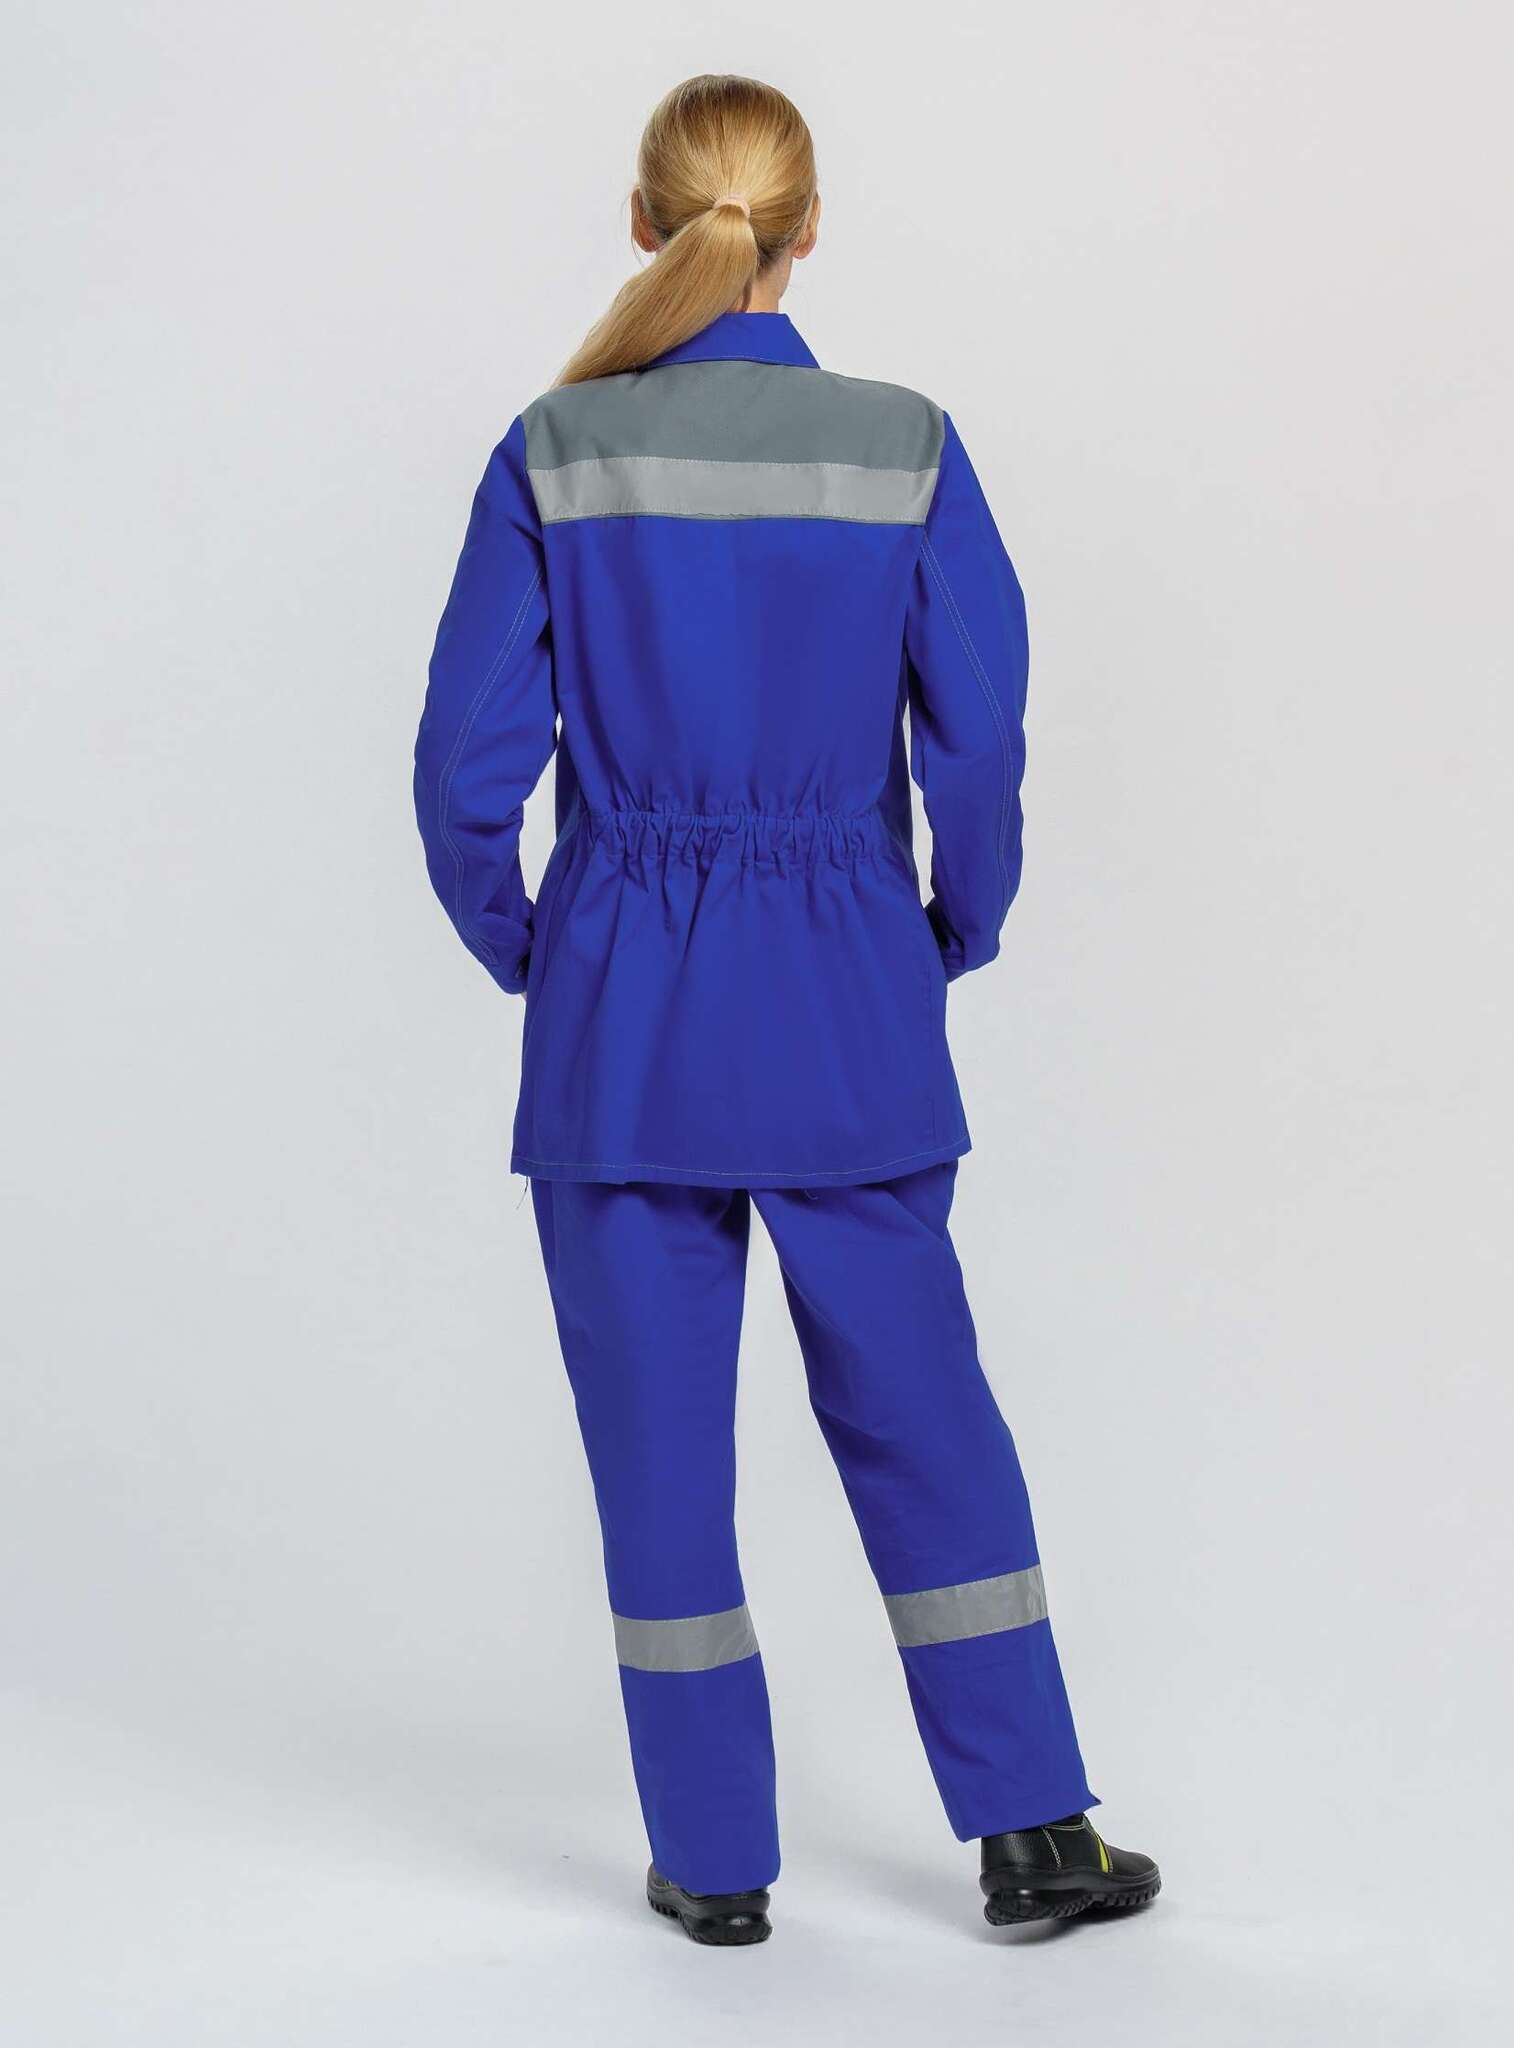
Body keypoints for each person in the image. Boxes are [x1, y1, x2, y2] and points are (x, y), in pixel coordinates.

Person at [414, 72, 1159, 1946]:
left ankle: (715, 1862)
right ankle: (1035, 1836)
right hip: (845, 999)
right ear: (807, 230)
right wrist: (952, 926)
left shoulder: (553, 450)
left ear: (641, 223)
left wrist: (535, 948)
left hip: (623, 1026)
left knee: (655, 1453)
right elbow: (977, 740)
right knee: (924, 1419)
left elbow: (459, 769)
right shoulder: (903, 445)